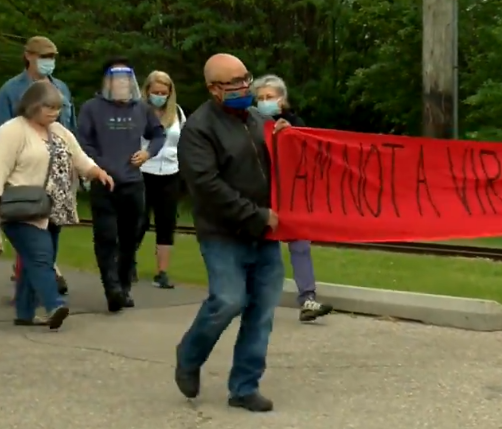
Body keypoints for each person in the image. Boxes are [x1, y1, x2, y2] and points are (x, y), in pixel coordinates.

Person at [175, 53, 290, 412]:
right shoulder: (198, 129)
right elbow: (208, 187)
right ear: (213, 89)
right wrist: (255, 215)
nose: (244, 87)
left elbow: (281, 167)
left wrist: (287, 140)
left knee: (261, 312)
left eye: (245, 78)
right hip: (223, 233)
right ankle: (190, 354)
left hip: (264, 235)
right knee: (227, 301)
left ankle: (244, 387)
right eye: (233, 83)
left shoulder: (257, 120)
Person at [0, 81, 113, 329]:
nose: (54, 112)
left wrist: (97, 172)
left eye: (57, 108)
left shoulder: (59, 130)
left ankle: (25, 312)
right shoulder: (12, 131)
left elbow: (78, 156)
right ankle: (54, 304)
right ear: (32, 105)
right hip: (22, 208)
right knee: (41, 258)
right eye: (48, 107)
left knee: (36, 258)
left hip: (53, 208)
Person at [77, 57, 165, 313]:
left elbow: (158, 134)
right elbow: (84, 143)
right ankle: (111, 288)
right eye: (117, 81)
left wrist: (148, 154)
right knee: (106, 237)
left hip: (133, 183)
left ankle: (124, 286)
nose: (123, 85)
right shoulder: (92, 108)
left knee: (130, 238)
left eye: (127, 81)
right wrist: (101, 166)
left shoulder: (141, 109)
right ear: (108, 83)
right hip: (104, 183)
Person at [252, 74, 334, 322]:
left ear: (281, 100)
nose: (265, 102)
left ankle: (307, 298)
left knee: (300, 245)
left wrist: (291, 134)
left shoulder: (295, 123)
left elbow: (308, 154)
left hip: (290, 196)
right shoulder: (249, 124)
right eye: (261, 98)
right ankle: (253, 298)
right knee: (262, 247)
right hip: (260, 194)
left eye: (270, 97)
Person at [0, 35, 76, 295]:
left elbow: (70, 129)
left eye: (52, 57)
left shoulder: (62, 89)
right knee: (30, 228)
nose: (48, 62)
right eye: (44, 57)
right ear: (28, 56)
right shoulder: (10, 91)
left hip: (58, 172)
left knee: (52, 228)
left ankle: (32, 287)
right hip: (26, 171)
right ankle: (46, 280)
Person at [135, 71, 186, 288]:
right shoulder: (137, 111)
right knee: (139, 220)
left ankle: (162, 271)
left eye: (163, 93)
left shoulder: (178, 113)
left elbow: (183, 140)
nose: (159, 96)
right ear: (147, 91)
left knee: (166, 222)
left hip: (170, 172)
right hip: (144, 170)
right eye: (155, 92)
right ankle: (127, 263)